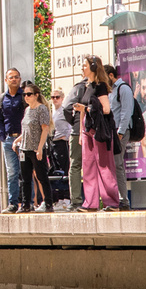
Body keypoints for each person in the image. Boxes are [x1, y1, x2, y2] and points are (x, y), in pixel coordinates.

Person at [77, 56, 119, 212]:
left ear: (93, 67)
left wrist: (86, 109)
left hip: (100, 129)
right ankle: (91, 203)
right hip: (87, 128)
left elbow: (106, 109)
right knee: (88, 167)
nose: (82, 68)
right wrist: (81, 133)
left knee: (104, 165)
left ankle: (112, 202)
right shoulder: (87, 86)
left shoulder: (100, 86)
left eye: (84, 65)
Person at [16, 81, 55, 213]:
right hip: (25, 148)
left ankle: (48, 202)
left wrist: (40, 148)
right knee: (25, 178)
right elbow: (27, 129)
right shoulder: (27, 110)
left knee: (41, 176)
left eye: (29, 94)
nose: (26, 97)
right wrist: (18, 140)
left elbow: (45, 129)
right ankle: (26, 204)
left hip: (36, 148)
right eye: (24, 94)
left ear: (36, 95)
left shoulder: (41, 109)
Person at [105, 64, 135, 211]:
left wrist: (121, 132)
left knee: (117, 165)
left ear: (111, 76)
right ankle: (114, 199)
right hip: (111, 132)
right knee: (112, 165)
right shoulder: (110, 91)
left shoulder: (123, 88)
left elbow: (126, 111)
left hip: (120, 133)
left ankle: (123, 201)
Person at [0, 68, 25, 212]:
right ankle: (13, 203)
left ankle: (27, 202)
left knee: (25, 172)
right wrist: (2, 137)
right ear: (6, 80)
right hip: (8, 140)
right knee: (12, 173)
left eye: (16, 77)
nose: (14, 79)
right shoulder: (2, 98)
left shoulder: (25, 96)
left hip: (24, 139)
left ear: (20, 79)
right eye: (11, 77)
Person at [59, 71, 89, 211]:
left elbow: (66, 107)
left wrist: (75, 122)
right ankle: (90, 200)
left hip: (79, 130)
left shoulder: (79, 87)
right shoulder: (89, 86)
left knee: (76, 165)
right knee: (89, 166)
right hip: (88, 131)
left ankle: (77, 200)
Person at [47, 90, 74, 211]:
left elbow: (70, 126)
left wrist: (66, 138)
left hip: (62, 142)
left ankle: (67, 198)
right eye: (52, 97)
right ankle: (59, 198)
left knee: (64, 169)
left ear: (62, 98)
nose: (54, 99)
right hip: (54, 142)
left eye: (57, 97)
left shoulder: (64, 111)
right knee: (55, 170)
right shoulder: (54, 112)